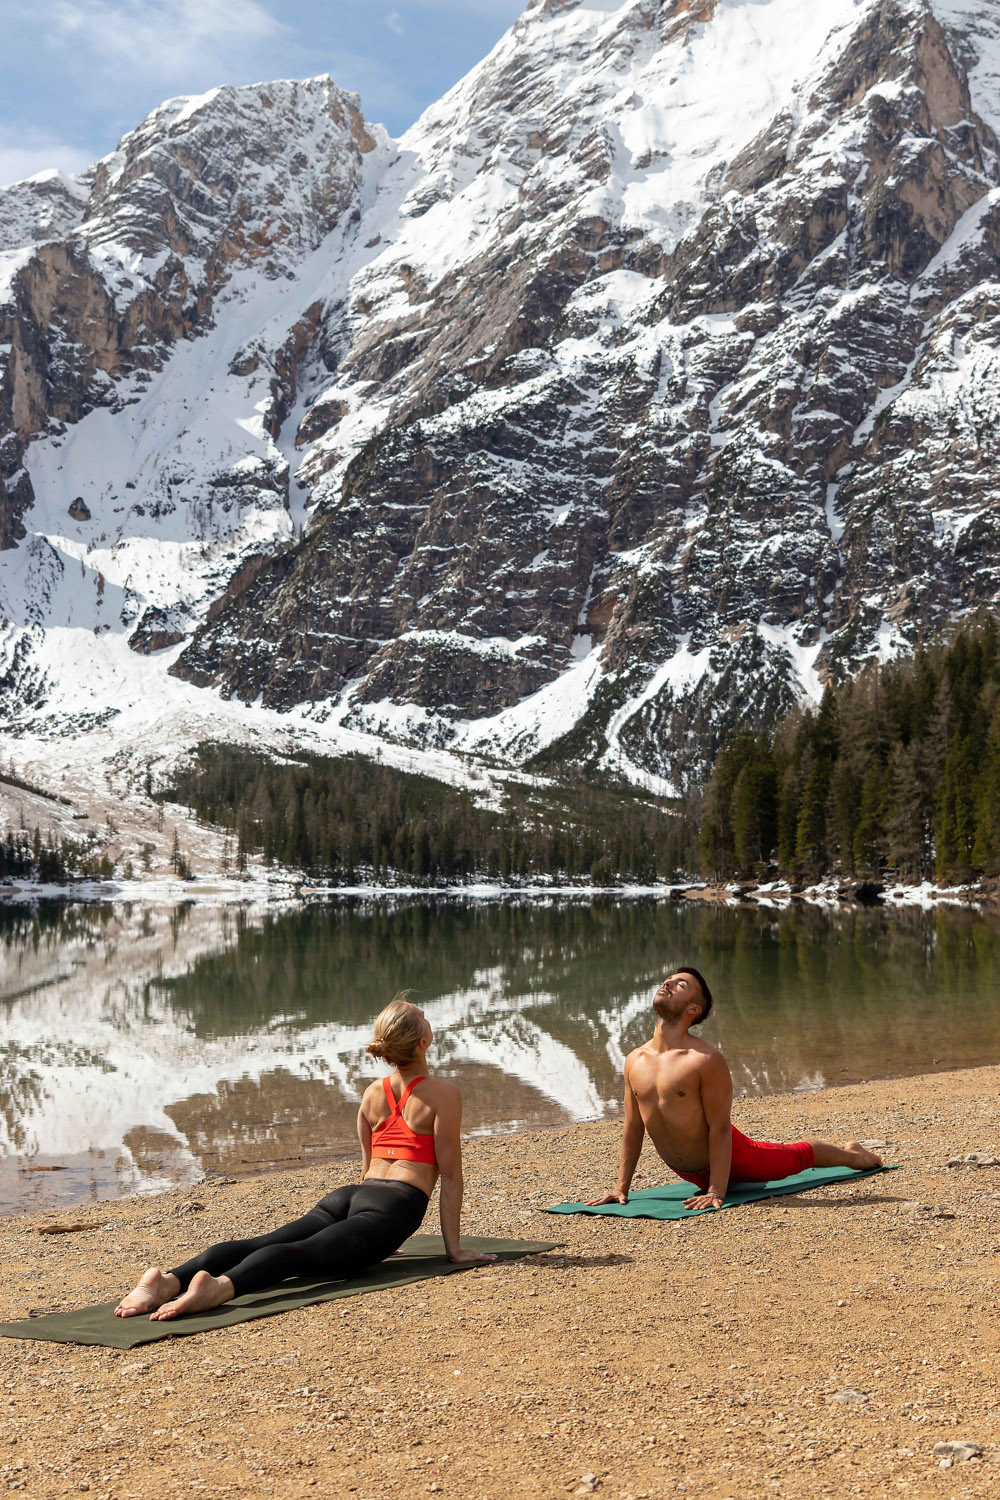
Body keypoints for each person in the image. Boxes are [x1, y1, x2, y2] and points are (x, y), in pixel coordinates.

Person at [115, 994, 495, 1320]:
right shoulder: (444, 1094)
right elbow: (450, 1176)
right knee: (298, 1254)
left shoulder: (371, 1093)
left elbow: (368, 1169)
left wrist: (365, 1229)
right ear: (424, 1041)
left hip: (351, 1198)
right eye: (426, 1018)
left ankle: (168, 1280)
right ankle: (220, 1288)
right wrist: (453, 1249)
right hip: (395, 1205)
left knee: (262, 1241)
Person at [588, 969, 882, 1212]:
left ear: (693, 1009)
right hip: (687, 1172)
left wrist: (716, 1190)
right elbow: (633, 1127)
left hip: (735, 1157)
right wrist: (620, 1189)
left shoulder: (704, 1059)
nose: (667, 983)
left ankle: (854, 1155)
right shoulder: (634, 1060)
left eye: (681, 984)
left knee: (795, 1157)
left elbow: (720, 1129)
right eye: (669, 979)